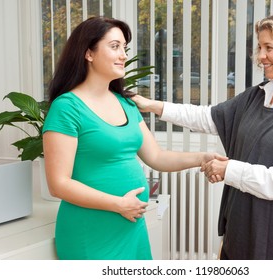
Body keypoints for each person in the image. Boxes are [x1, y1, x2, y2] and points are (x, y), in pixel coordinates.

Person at [132, 9, 273, 260]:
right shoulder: (257, 95)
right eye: (260, 47)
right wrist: (153, 106)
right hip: (242, 230)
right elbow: (207, 117)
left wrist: (228, 170)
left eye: (268, 48)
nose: (260, 56)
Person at [42, 16, 226, 260]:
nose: (123, 55)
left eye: (124, 48)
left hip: (130, 227)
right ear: (89, 53)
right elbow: (59, 184)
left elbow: (157, 157)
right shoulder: (67, 108)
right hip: (90, 230)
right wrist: (118, 204)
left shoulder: (126, 103)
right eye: (115, 46)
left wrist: (202, 157)